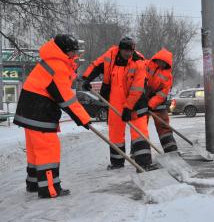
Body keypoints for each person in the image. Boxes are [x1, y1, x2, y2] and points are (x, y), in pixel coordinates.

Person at [13, 34, 92, 199]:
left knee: (36, 151)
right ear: (63, 51)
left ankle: (34, 184)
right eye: (71, 52)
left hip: (30, 111)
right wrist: (84, 118)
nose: (74, 55)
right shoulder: (58, 65)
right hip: (40, 112)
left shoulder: (52, 61)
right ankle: (49, 189)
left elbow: (59, 85)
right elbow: (66, 98)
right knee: (48, 150)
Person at [81, 37, 155, 171]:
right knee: (115, 132)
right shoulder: (110, 55)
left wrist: (128, 107)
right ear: (120, 49)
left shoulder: (139, 62)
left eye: (131, 51)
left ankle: (143, 163)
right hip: (115, 99)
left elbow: (136, 89)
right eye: (126, 50)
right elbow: (97, 65)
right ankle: (117, 162)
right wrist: (87, 78)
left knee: (139, 132)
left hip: (135, 101)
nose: (129, 53)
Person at [145, 49, 178, 153]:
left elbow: (162, 94)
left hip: (158, 102)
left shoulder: (168, 76)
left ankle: (171, 150)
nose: (162, 64)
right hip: (142, 98)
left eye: (165, 63)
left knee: (163, 126)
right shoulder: (146, 65)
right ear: (157, 59)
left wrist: (150, 105)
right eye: (161, 61)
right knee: (140, 127)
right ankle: (137, 152)